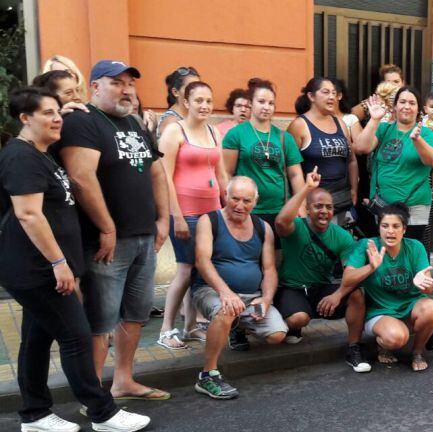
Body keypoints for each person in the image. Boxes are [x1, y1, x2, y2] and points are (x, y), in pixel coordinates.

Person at [1, 87, 150, 432]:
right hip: (36, 270)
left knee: (36, 341)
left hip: (41, 268)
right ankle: (102, 412)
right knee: (76, 337)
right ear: (25, 118)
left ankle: (35, 413)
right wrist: (58, 263)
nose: (57, 119)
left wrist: (64, 110)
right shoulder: (20, 157)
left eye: (58, 112)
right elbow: (28, 215)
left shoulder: (39, 152)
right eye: (48, 113)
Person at [58, 59, 171, 403]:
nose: (126, 90)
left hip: (143, 237)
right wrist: (106, 227)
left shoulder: (135, 123)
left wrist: (163, 218)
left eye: (130, 84)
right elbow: (80, 177)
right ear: (94, 87)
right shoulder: (82, 121)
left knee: (135, 314)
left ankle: (123, 381)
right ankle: (93, 394)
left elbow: (155, 172)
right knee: (100, 321)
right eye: (116, 83)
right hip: (107, 243)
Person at [192, 177, 287, 399]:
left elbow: (270, 269)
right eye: (235, 198)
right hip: (211, 291)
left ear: (255, 201)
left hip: (250, 296)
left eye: (246, 200)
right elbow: (202, 261)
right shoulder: (210, 220)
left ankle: (235, 327)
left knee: (277, 335)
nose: (240, 205)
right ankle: (207, 375)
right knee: (226, 310)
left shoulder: (263, 227)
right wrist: (225, 293)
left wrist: (266, 299)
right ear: (226, 195)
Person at [157, 81, 227, 351]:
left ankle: (189, 326)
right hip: (185, 212)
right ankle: (165, 329)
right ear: (186, 102)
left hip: (211, 212)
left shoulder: (213, 132)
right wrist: (177, 216)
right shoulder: (175, 131)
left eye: (209, 101)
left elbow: (220, 175)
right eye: (198, 100)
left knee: (199, 270)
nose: (204, 106)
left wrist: (225, 209)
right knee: (185, 270)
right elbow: (164, 176)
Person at [274, 169, 366, 348]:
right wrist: (307, 188)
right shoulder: (296, 227)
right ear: (307, 210)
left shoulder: (342, 236)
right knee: (299, 318)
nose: (324, 211)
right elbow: (280, 222)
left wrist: (338, 295)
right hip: (293, 288)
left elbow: (351, 273)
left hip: (320, 289)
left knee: (356, 294)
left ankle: (355, 346)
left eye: (329, 207)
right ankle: (286, 320)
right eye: (318, 206)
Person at [345, 203, 433, 371]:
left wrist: (421, 283)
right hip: (380, 312)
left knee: (431, 308)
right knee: (396, 338)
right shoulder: (367, 246)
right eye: (385, 226)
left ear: (404, 229)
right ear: (378, 227)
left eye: (396, 226)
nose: (390, 231)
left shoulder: (415, 247)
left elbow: (430, 289)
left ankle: (417, 352)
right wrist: (371, 267)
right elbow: (347, 279)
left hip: (410, 306)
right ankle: (383, 344)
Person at [354, 87, 433, 246]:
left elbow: (431, 160)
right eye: (402, 102)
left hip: (415, 204)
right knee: (384, 251)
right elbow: (361, 148)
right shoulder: (383, 129)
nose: (407, 106)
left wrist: (417, 140)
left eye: (412, 103)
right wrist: (374, 119)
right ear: (394, 106)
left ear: (418, 109)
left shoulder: (426, 133)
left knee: (411, 251)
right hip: (383, 205)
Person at [222, 78, 306, 232]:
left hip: (280, 210)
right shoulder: (236, 134)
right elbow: (226, 172)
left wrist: (300, 205)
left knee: (276, 255)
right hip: (247, 210)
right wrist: (229, 205)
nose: (266, 107)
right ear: (251, 103)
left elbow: (295, 175)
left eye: (271, 103)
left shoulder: (284, 137)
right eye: (261, 102)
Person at [288, 78, 357, 225]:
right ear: (311, 96)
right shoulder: (299, 125)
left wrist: (354, 189)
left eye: (333, 93)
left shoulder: (341, 124)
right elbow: (290, 168)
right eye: (325, 92)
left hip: (341, 201)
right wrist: (299, 202)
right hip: (313, 204)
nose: (331, 97)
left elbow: (351, 160)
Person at [156, 67, 200, 139]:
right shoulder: (171, 122)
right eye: (190, 88)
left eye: (198, 87)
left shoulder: (189, 116)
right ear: (175, 92)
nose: (197, 92)